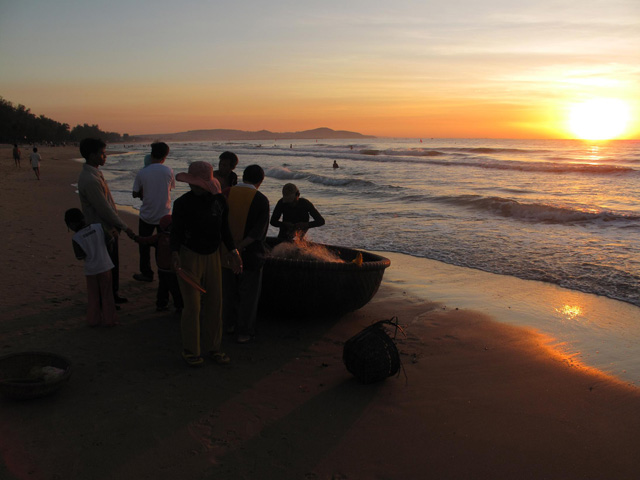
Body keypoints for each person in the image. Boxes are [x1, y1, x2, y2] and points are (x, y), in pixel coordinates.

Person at [170, 161, 242, 367]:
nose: (193, 186)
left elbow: (224, 230)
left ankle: (214, 348)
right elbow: (176, 231)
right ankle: (191, 350)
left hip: (213, 256)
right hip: (188, 255)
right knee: (192, 306)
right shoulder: (182, 203)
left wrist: (233, 251)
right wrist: (174, 252)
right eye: (192, 183)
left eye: (198, 183)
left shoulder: (219, 201)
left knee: (215, 303)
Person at [77, 138, 135, 305]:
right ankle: (107, 298)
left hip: (108, 227)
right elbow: (104, 209)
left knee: (112, 264)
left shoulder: (95, 173)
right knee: (106, 266)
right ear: (92, 155)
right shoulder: (90, 179)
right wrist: (125, 227)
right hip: (100, 229)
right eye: (102, 154)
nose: (105, 156)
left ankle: (112, 294)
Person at [221, 165, 270, 344]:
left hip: (225, 252)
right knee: (248, 295)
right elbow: (258, 233)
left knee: (228, 292)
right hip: (250, 255)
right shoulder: (261, 199)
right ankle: (244, 332)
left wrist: (231, 248)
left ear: (243, 176)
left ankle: (228, 325)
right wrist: (240, 247)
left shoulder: (226, 193)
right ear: (261, 181)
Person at [64, 208, 118, 327]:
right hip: (105, 266)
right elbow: (111, 240)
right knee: (107, 295)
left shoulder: (76, 238)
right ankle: (110, 320)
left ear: (71, 224)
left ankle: (94, 320)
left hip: (91, 270)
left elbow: (80, 256)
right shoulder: (98, 227)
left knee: (93, 296)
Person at [132, 142, 175, 282]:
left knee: (143, 246)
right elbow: (170, 188)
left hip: (146, 215)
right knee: (162, 246)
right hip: (165, 215)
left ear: (151, 154)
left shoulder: (142, 172)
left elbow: (135, 193)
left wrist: (143, 194)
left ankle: (147, 273)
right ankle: (163, 272)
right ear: (165, 156)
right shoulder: (168, 171)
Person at [134, 214, 183, 313]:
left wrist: (135, 237)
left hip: (161, 268)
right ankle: (179, 306)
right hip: (171, 269)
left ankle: (161, 305)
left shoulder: (159, 237)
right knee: (175, 288)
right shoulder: (175, 238)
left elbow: (145, 240)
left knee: (163, 287)